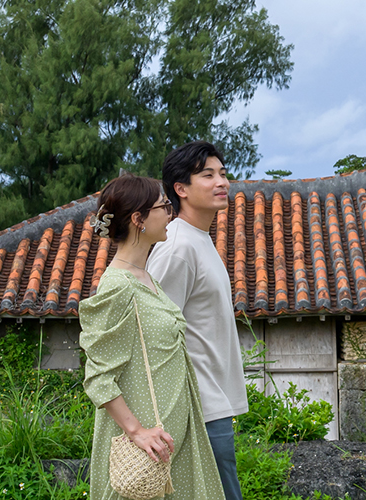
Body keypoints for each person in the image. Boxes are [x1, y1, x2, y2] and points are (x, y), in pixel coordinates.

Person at [81, 174, 224, 499]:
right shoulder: (117, 286)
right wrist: (137, 432)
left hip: (172, 432)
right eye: (163, 207)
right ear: (138, 220)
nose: (170, 214)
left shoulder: (145, 278)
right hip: (149, 439)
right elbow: (99, 377)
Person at [148, 141, 247, 500]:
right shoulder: (177, 245)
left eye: (223, 173)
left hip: (212, 402)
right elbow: (153, 329)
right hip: (197, 405)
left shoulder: (199, 240)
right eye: (208, 175)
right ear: (181, 188)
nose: (222, 182)